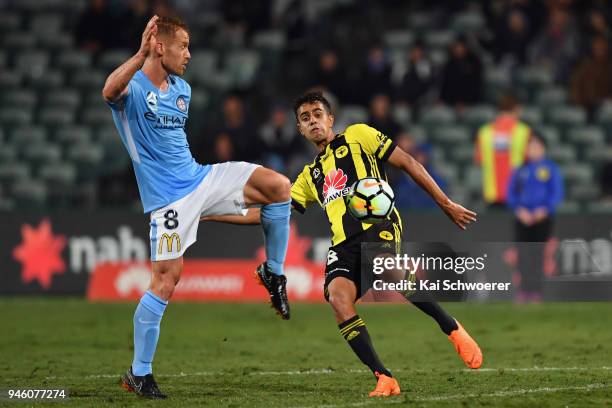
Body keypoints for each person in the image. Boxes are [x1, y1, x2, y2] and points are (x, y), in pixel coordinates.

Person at [204, 91, 483, 397]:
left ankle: (451, 328)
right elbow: (267, 215)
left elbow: (407, 162)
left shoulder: (359, 135)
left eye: (317, 114)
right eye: (305, 118)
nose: (313, 122)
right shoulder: (310, 177)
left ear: (330, 119)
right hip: (343, 245)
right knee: (338, 298)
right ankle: (384, 377)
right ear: (299, 128)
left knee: (386, 268)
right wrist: (208, 214)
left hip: (379, 225)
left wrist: (445, 203)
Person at [102, 16, 292, 399]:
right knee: (166, 281)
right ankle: (139, 373)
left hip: (200, 178)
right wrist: (138, 55)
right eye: (183, 45)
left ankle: (273, 274)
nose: (189, 54)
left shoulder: (182, 90)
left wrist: (210, 206)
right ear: (160, 46)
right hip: (168, 200)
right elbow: (108, 91)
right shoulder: (133, 87)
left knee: (279, 188)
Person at [507, 133, 563, 303]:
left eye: (536, 147)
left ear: (543, 149)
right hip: (522, 218)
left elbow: (556, 193)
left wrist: (544, 209)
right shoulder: (520, 169)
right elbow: (511, 193)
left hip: (543, 219)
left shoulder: (551, 168)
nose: (533, 150)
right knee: (523, 254)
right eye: (530, 147)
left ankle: (536, 292)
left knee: (538, 254)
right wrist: (519, 210)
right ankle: (523, 291)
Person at [474, 94, 532, 208]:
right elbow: (530, 160)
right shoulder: (524, 131)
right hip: (517, 192)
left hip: (491, 194)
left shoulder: (484, 132)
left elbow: (478, 160)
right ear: (517, 108)